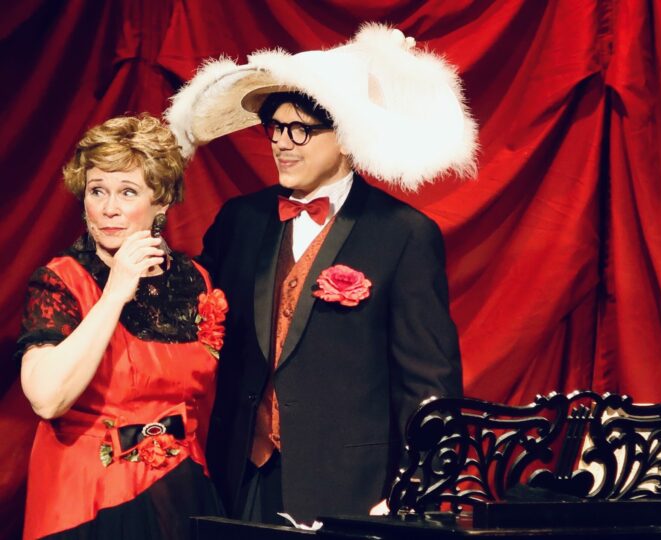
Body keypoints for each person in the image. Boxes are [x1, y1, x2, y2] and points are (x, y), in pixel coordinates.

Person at [166, 23, 477, 525]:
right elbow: (190, 319)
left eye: (301, 130)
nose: (282, 144)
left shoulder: (402, 234)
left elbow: (429, 383)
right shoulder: (240, 220)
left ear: (348, 139)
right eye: (275, 128)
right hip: (242, 475)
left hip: (351, 488)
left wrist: (412, 489)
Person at [17, 115, 225, 539]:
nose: (108, 208)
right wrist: (113, 294)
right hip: (88, 497)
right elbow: (46, 399)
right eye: (97, 191)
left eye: (127, 192)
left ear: (161, 201)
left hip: (179, 489)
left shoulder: (196, 281)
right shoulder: (61, 280)